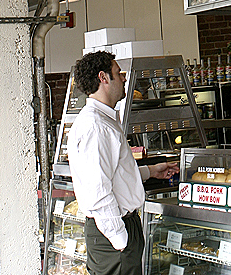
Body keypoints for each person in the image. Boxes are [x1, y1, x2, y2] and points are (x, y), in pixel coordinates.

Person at [67, 50, 179, 275]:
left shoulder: (104, 120)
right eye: (119, 73)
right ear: (103, 78)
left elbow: (113, 174)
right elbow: (99, 192)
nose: (124, 78)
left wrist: (150, 171)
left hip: (118, 231)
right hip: (113, 234)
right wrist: (121, 240)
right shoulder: (96, 127)